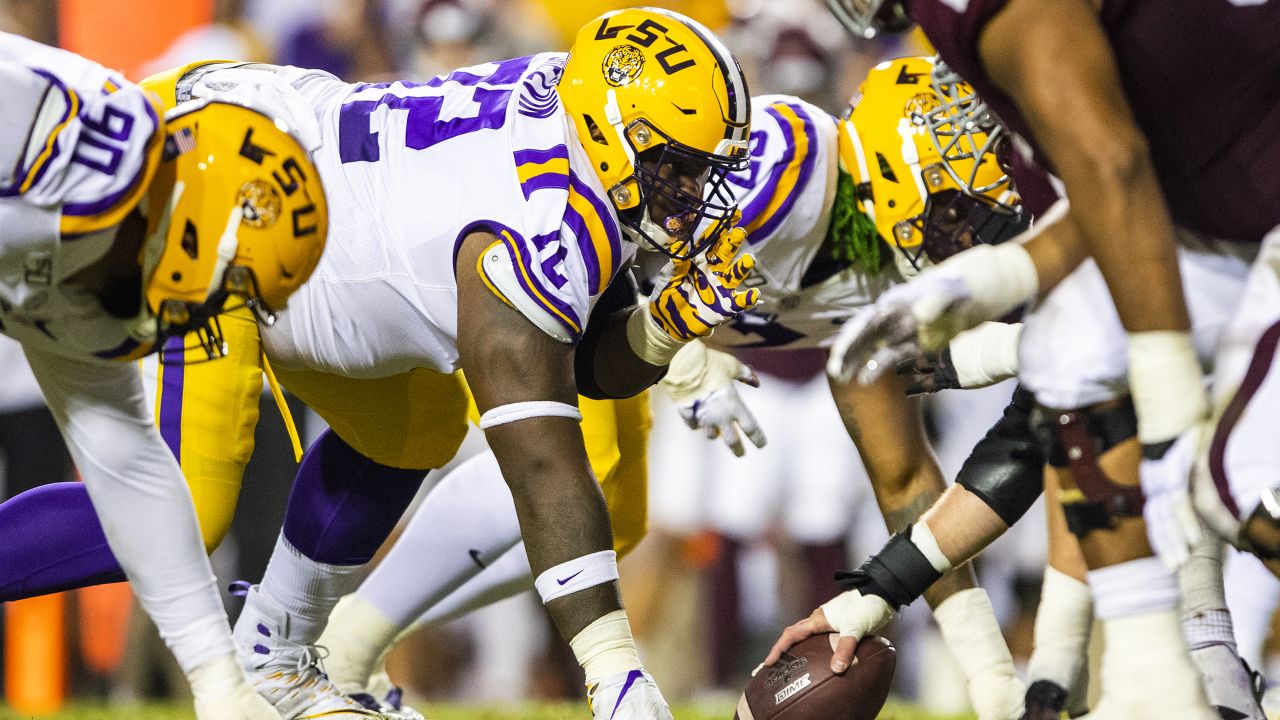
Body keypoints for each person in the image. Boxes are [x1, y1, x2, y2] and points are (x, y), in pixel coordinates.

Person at [0, 8, 759, 719]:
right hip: (228, 195)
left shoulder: (577, 125)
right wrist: (614, 672)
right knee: (184, 508)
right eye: (677, 167)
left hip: (304, 191)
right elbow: (542, 465)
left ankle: (275, 657)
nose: (691, 193)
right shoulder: (532, 217)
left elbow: (586, 354)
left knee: (414, 427)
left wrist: (667, 327)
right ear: (613, 132)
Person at [312, 55, 1039, 720]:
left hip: (628, 342)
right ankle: (342, 651)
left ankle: (349, 642)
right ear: (895, 163)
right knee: (569, 485)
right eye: (953, 210)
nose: (965, 238)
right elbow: (622, 221)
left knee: (617, 523)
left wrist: (991, 680)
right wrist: (682, 355)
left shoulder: (882, 275)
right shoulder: (792, 170)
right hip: (542, 290)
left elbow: (906, 477)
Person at [772, 2, 1280, 719]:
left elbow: (1115, 174)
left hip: (1249, 199)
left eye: (946, 223)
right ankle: (1169, 680)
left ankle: (1193, 664)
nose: (948, 244)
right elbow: (1045, 418)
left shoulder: (1022, 70)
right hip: (1226, 203)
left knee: (1229, 479)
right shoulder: (1048, 155)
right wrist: (874, 593)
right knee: (1090, 388)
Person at [0, 31, 328, 720]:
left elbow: (130, 470)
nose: (207, 312)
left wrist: (220, 686)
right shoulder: (33, 127)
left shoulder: (107, 269)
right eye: (220, 286)